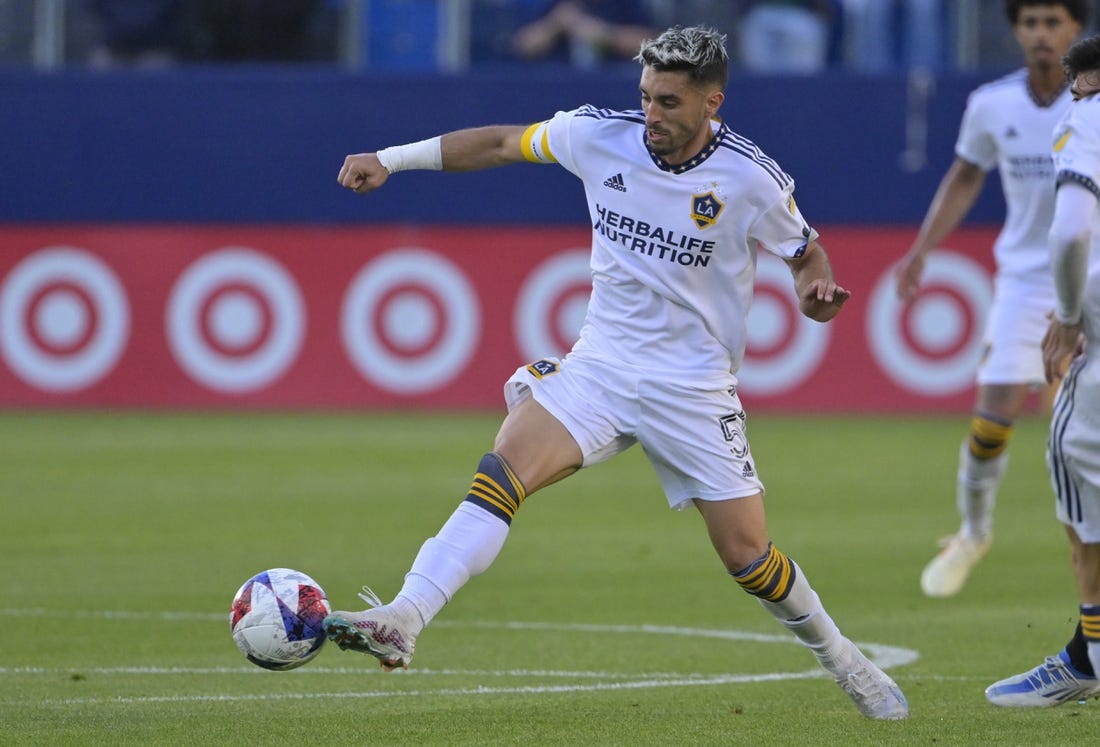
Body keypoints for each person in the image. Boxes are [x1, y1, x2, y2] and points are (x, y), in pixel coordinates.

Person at [323, 25, 909, 720]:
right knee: (503, 470)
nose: (651, 114)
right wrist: (391, 159)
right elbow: (503, 142)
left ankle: (846, 661)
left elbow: (805, 254)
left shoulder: (751, 178)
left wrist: (815, 296)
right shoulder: (598, 135)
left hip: (693, 387)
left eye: (668, 102)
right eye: (646, 96)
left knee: (748, 556)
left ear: (712, 103)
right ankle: (407, 614)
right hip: (602, 364)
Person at [894, 0, 1088, 599]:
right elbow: (966, 175)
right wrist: (922, 250)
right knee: (992, 418)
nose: (1041, 34)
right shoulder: (992, 104)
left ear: (1077, 28)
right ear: (1015, 31)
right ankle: (973, 533)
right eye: (1030, 23)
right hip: (1026, 282)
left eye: (1052, 22)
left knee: (1079, 428)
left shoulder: (1093, 104)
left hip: (1092, 278)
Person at [985, 32, 1100, 707]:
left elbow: (1072, 229)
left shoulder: (1088, 117)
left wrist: (1069, 313)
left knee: (1082, 491)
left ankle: (1091, 656)